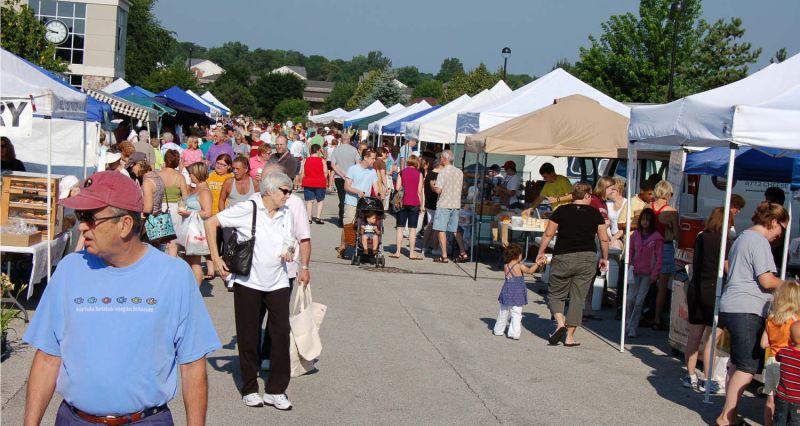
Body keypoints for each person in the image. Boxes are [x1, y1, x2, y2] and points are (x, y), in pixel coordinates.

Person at [23, 171, 220, 425]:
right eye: (80, 216)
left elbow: (193, 365)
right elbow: (48, 357)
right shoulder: (69, 270)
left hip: (146, 420)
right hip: (74, 419)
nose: (82, 226)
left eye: (90, 218)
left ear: (125, 224)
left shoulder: (174, 276)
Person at [204, 171, 297, 410]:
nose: (289, 195)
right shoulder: (249, 208)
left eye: (290, 190)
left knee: (281, 334)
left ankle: (276, 390)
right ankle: (249, 388)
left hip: (278, 281)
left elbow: (290, 239)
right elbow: (211, 222)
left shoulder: (287, 212)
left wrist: (290, 250)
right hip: (249, 282)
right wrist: (215, 258)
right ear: (269, 190)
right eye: (285, 191)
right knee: (248, 335)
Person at [716, 202, 788, 426]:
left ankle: (730, 414)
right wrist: (791, 286)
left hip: (733, 305)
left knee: (737, 365)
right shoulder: (759, 242)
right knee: (747, 368)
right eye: (781, 229)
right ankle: (726, 417)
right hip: (747, 309)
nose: (780, 235)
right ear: (773, 222)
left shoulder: (743, 237)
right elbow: (766, 280)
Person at [535, 181, 608, 347]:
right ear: (588, 195)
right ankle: (569, 336)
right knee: (578, 298)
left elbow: (548, 233)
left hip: (563, 255)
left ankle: (560, 323)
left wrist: (541, 252)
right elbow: (603, 239)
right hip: (587, 258)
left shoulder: (561, 210)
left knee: (555, 293)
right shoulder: (595, 213)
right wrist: (604, 257)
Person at [683, 207, 732, 392]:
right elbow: (728, 268)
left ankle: (690, 375)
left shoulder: (701, 237)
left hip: (696, 288)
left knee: (694, 334)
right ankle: (707, 377)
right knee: (712, 336)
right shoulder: (724, 242)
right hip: (714, 290)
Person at [761, 280, 800, 426]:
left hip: (771, 361)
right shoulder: (796, 321)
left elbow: (763, 343)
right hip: (787, 363)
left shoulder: (771, 319)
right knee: (786, 398)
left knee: (770, 398)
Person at [626, 209, 664, 338]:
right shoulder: (635, 235)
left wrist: (655, 273)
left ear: (652, 222)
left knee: (639, 301)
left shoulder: (657, 238)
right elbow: (630, 251)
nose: (645, 223)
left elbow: (659, 257)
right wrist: (628, 265)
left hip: (648, 273)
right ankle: (628, 321)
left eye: (647, 220)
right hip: (635, 270)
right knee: (630, 299)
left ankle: (632, 326)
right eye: (643, 220)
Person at [338, 149, 381, 258]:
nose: (374, 160)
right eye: (372, 158)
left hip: (365, 204)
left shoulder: (372, 171)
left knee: (364, 225)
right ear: (365, 158)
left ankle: (360, 247)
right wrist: (357, 192)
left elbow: (376, 188)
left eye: (375, 158)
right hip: (351, 202)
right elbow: (346, 186)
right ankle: (343, 247)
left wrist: (380, 194)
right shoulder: (353, 169)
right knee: (349, 225)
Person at [650, 180, 680, 331]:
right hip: (665, 248)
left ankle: (638, 314)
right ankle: (657, 318)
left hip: (648, 248)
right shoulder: (671, 212)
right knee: (662, 287)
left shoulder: (647, 208)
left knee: (643, 283)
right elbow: (675, 235)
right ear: (669, 193)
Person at [493, 244, 539, 340]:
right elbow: (530, 271)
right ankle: (514, 333)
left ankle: (498, 330)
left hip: (507, 290)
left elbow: (508, 278)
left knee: (503, 311)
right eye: (521, 255)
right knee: (516, 313)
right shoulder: (519, 266)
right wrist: (537, 264)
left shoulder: (506, 266)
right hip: (517, 292)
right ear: (518, 255)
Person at [179, 163, 213, 286]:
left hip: (197, 230)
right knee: (188, 260)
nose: (190, 176)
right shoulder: (198, 188)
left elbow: (207, 212)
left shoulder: (204, 191)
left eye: (191, 174)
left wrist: (188, 212)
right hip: (189, 228)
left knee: (195, 261)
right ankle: (190, 288)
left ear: (197, 174)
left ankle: (195, 292)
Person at [431, 150, 466, 263]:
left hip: (444, 203)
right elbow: (463, 188)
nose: (440, 159)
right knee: (455, 229)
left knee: (441, 229)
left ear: (445, 159)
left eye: (441, 157)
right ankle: (463, 252)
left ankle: (444, 255)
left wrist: (433, 186)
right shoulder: (459, 172)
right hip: (455, 203)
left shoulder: (443, 172)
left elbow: (438, 190)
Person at [392, 155, 423, 259]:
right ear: (416, 163)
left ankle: (397, 252)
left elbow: (397, 187)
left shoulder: (402, 172)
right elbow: (419, 192)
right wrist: (422, 205)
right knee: (412, 229)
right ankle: (411, 253)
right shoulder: (419, 174)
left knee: (400, 227)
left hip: (402, 202)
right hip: (414, 203)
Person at [159, 150, 188, 257]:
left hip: (160, 208)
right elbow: (185, 197)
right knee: (173, 241)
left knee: (160, 238)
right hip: (175, 209)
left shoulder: (158, 175)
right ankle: (172, 263)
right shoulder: (179, 177)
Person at [774, 321, 800, 425]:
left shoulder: (784, 351)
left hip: (781, 396)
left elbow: (777, 357)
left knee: (779, 420)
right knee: (795, 422)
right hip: (798, 400)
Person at [330, 134, 360, 226]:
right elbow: (358, 163)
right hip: (351, 178)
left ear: (341, 140)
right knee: (351, 198)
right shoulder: (354, 150)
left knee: (342, 198)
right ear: (349, 140)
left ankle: (341, 219)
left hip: (339, 177)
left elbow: (332, 165)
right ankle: (350, 218)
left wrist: (340, 174)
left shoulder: (336, 150)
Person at [301, 144, 328, 224]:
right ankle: (318, 217)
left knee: (309, 201)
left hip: (308, 182)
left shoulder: (306, 160)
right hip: (320, 182)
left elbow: (303, 172)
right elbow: (325, 172)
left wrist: (301, 181)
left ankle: (309, 218)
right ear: (318, 150)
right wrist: (324, 179)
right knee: (320, 200)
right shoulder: (322, 160)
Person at [422, 156, 441, 256]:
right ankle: (434, 248)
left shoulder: (429, 174)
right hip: (435, 204)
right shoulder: (438, 175)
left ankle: (425, 246)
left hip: (429, 203)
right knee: (434, 227)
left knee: (429, 226)